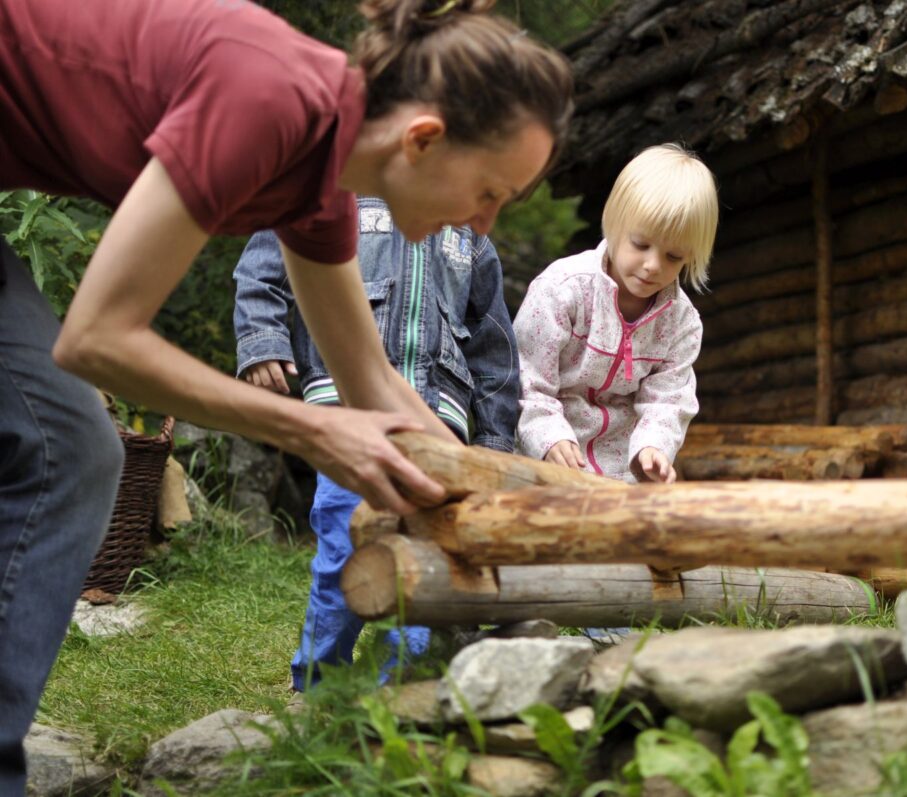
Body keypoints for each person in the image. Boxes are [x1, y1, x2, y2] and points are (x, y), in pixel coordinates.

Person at [0, 0, 571, 790]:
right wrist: (314, 430)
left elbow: (370, 379)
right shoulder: (269, 100)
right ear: (423, 139)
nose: (484, 223)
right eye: (490, 191)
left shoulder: (318, 178)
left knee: (65, 447)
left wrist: (488, 486)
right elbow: (96, 336)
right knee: (62, 444)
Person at [233, 197, 519, 691]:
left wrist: (495, 437)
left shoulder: (468, 233)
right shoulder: (331, 197)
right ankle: (320, 684)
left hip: (438, 420)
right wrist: (263, 340)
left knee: (424, 557)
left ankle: (400, 687)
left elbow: (494, 342)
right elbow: (262, 267)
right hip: (347, 405)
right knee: (347, 543)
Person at [513, 144, 718, 485]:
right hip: (548, 467)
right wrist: (549, 438)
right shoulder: (562, 290)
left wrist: (653, 449)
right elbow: (526, 381)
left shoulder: (681, 323)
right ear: (615, 225)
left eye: (673, 256)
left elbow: (667, 401)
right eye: (640, 245)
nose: (653, 265)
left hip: (622, 478)